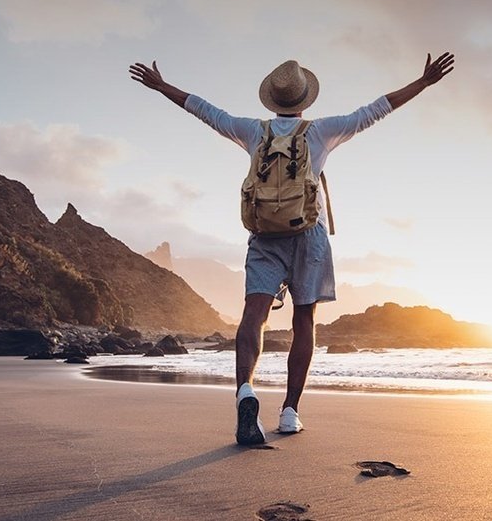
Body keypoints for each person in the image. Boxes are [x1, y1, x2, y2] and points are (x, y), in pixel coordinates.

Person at [129, 53, 455, 445]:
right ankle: (289, 412)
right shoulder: (321, 131)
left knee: (255, 314)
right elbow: (375, 110)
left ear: (273, 99)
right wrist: (422, 83)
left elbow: (205, 110)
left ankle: (246, 392)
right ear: (304, 100)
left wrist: (163, 86)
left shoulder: (252, 131)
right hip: (308, 236)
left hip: (265, 236)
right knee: (304, 320)